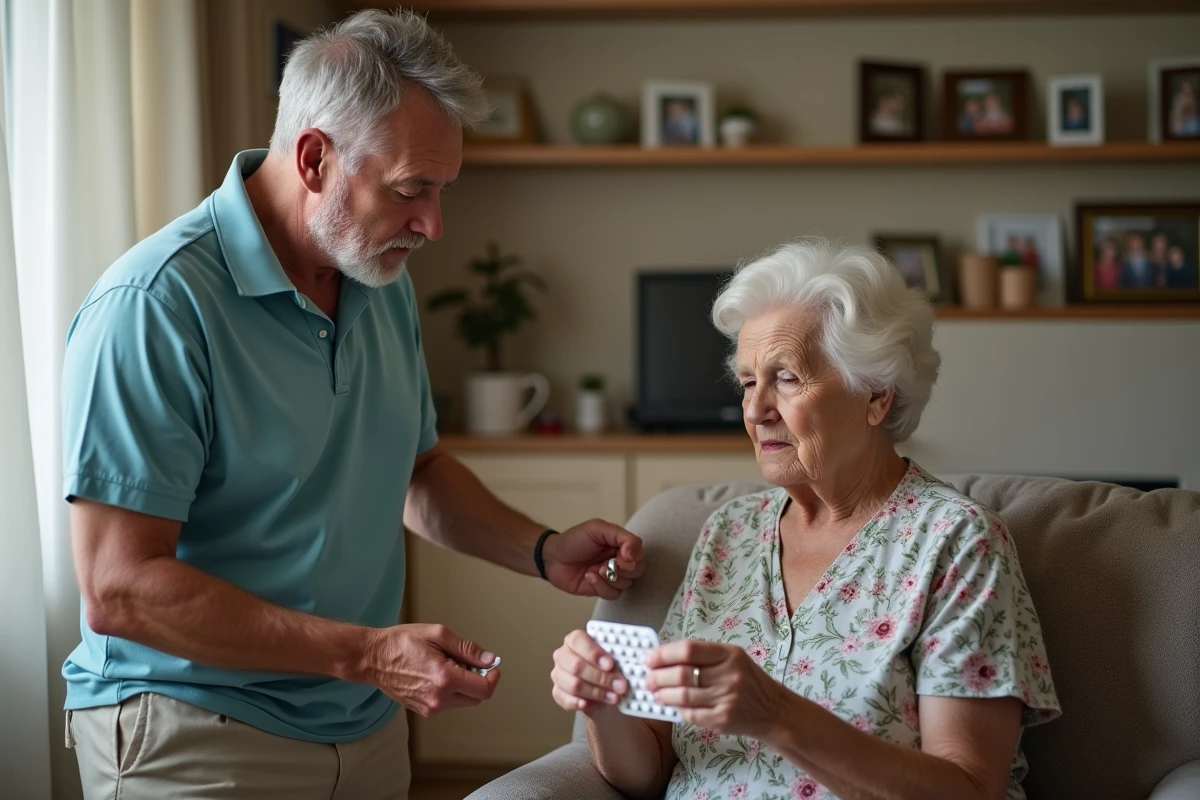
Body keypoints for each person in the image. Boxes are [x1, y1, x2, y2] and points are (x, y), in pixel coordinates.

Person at [60, 10, 644, 799]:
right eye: (412, 190)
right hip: (194, 732)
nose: (432, 226)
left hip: (362, 727)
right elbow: (119, 587)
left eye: (442, 191)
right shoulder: (154, 305)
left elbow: (418, 471)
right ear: (313, 159)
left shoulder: (377, 278)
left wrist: (541, 549)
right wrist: (368, 654)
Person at [551, 238, 1061, 800]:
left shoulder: (957, 542)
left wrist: (776, 715)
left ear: (877, 396)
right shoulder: (730, 533)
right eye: (748, 381)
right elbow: (650, 771)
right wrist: (602, 703)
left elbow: (969, 789)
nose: (755, 409)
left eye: (787, 378)